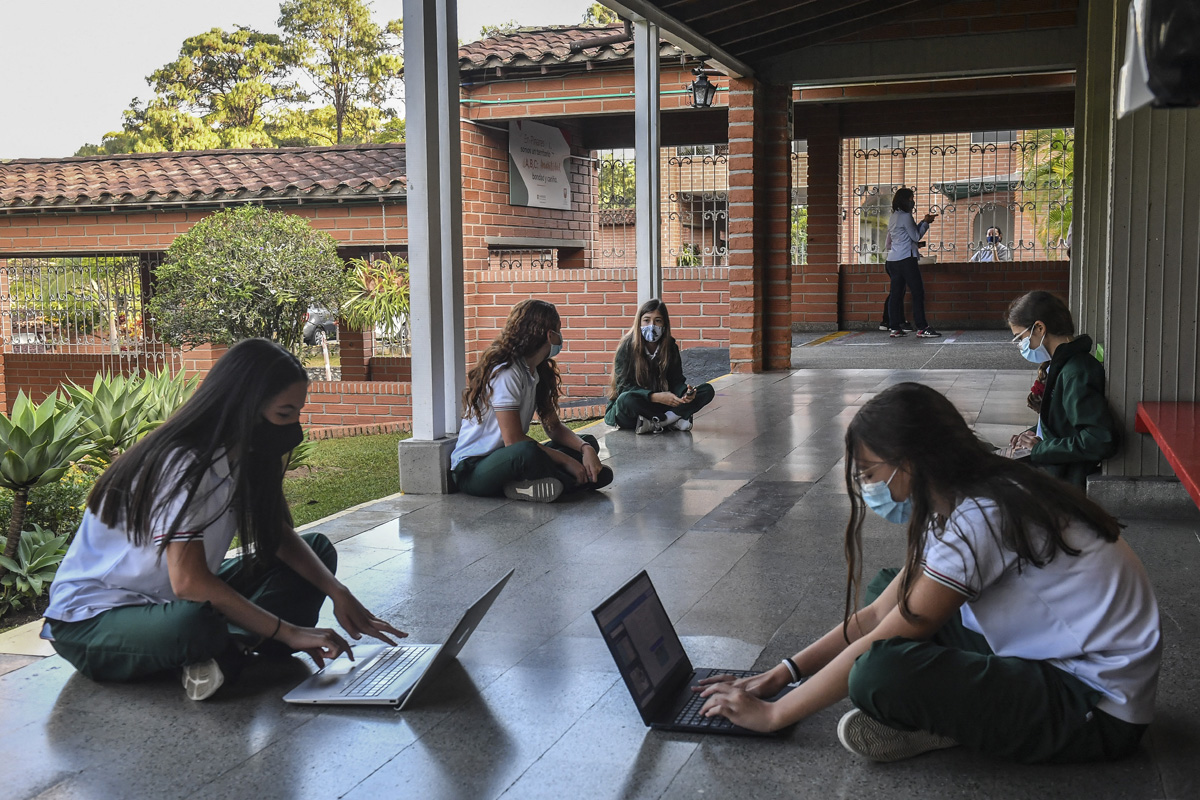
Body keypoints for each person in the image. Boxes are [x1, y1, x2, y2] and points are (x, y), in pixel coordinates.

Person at [697, 382, 1161, 764]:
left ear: (909, 465)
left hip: (1097, 707)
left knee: (876, 673)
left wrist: (772, 716)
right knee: (889, 591)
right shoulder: (968, 494)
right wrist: (782, 675)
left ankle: (959, 720)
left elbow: (881, 639)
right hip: (1046, 658)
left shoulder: (983, 516)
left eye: (868, 472)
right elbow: (881, 613)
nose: (866, 487)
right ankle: (960, 713)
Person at [42, 338, 404, 701]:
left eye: (296, 414)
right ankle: (237, 644)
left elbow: (274, 536)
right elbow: (190, 583)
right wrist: (288, 631)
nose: (293, 427)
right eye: (283, 414)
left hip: (171, 602)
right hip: (93, 622)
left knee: (316, 550)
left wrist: (338, 593)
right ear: (244, 406)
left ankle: (231, 648)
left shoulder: (241, 454)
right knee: (193, 624)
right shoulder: (181, 462)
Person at [451, 298, 614, 503]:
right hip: (474, 469)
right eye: (559, 330)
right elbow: (514, 440)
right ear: (549, 335)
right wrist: (566, 461)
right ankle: (573, 481)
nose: (560, 337)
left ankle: (542, 484)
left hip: (510, 458)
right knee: (526, 452)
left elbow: (553, 427)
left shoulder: (535, 372)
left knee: (587, 440)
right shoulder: (507, 373)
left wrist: (585, 449)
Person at [1007, 290, 1118, 488]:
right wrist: (1032, 435)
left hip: (1063, 481)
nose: (1021, 346)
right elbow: (1063, 425)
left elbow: (1098, 440)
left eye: (1020, 338)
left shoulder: (1075, 372)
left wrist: (1039, 448)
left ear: (1039, 328)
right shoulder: (1062, 366)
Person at [605, 298, 715, 434]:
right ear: (639, 322)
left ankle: (658, 423)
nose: (652, 325)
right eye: (646, 320)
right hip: (635, 409)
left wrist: (685, 394)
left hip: (661, 405)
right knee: (625, 400)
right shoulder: (626, 348)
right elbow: (623, 388)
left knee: (706, 390)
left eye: (657, 320)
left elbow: (676, 380)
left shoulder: (670, 347)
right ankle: (672, 420)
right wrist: (654, 396)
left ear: (664, 324)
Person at [884, 188, 941, 339]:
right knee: (917, 292)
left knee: (895, 294)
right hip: (905, 260)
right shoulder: (906, 216)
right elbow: (915, 236)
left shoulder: (893, 217)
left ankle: (894, 327)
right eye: (910, 199)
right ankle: (922, 327)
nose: (912, 201)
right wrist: (926, 223)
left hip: (892, 260)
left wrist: (922, 221)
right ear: (904, 200)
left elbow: (905, 235)